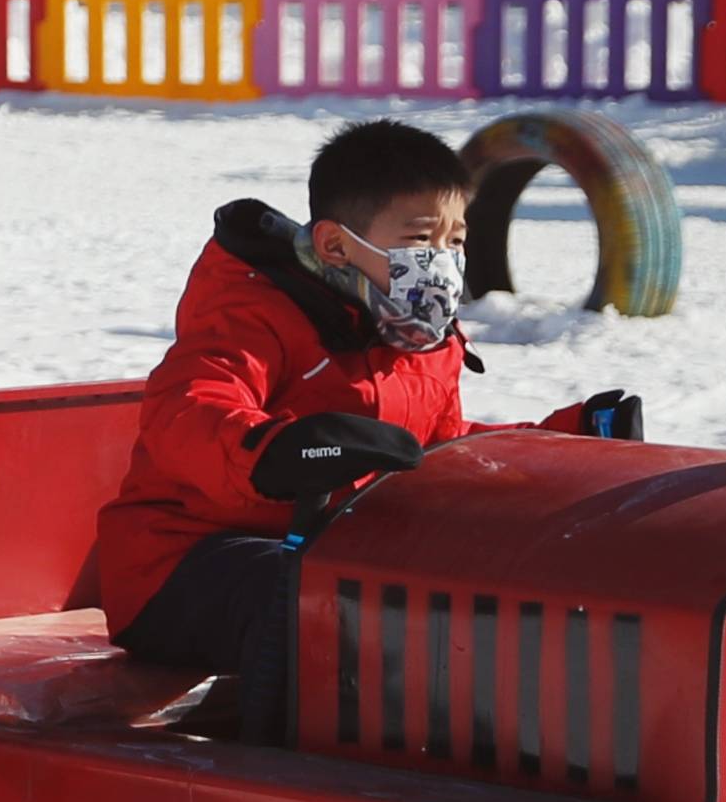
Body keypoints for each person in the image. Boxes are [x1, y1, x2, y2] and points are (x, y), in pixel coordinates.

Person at [87, 119, 639, 743]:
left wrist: (565, 440)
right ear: (336, 246)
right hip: (180, 563)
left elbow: (439, 450)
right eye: (419, 240)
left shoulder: (418, 340)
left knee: (463, 583)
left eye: (455, 241)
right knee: (309, 596)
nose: (444, 263)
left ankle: (486, 752)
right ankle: (293, 790)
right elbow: (187, 409)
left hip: (325, 550)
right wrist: (276, 451)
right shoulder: (252, 311)